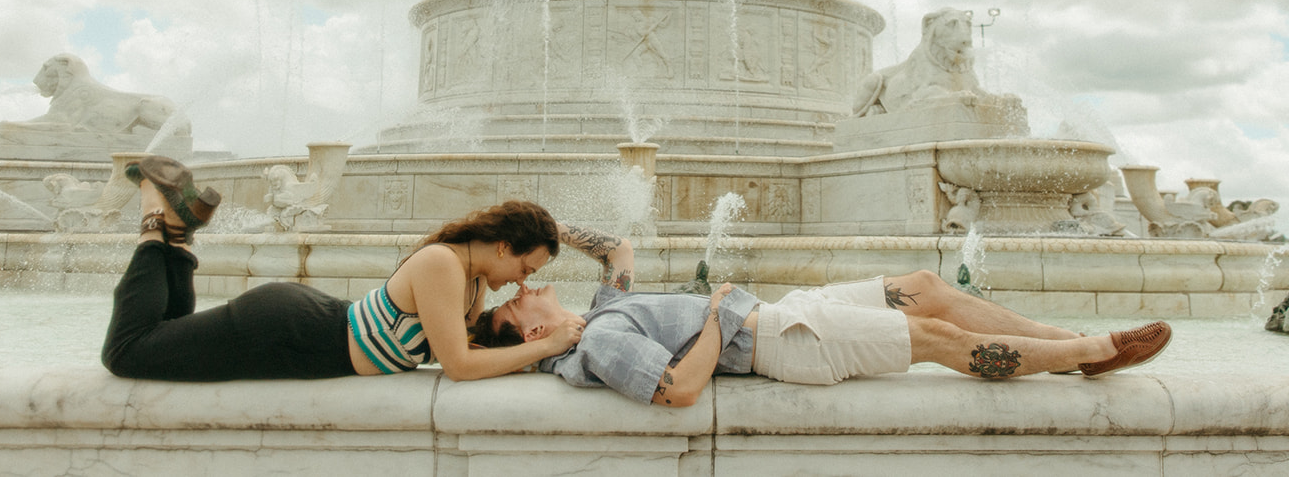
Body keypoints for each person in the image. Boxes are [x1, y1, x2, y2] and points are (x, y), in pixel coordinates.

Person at [470, 227, 1172, 406]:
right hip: (780, 342)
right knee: (936, 336)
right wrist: (715, 314)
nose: (526, 284)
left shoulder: (604, 307)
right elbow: (676, 389)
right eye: (515, 297)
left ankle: (1070, 339)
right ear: (530, 333)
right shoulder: (599, 342)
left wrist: (536, 233)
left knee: (923, 285)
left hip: (782, 313)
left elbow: (617, 245)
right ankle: (1085, 354)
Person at [101, 155, 584, 381]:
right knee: (128, 353)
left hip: (303, 329)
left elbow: (477, 352)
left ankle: (179, 237)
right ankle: (152, 213)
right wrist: (555, 341)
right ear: (502, 247)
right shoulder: (444, 265)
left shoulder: (473, 278)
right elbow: (458, 365)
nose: (524, 280)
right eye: (526, 265)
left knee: (169, 333)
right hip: (287, 331)